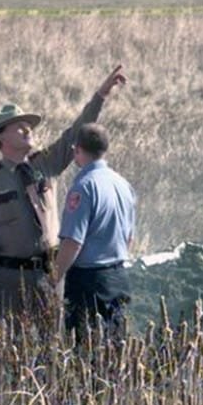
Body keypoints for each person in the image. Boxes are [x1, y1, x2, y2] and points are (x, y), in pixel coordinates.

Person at [0, 65, 127, 330]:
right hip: (10, 280)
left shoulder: (46, 164)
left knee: (50, 350)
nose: (27, 129)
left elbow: (76, 131)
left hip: (49, 276)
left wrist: (101, 95)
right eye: (19, 127)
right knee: (14, 351)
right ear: (0, 137)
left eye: (28, 125)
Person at [55, 123, 136, 345]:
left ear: (77, 150)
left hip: (89, 283)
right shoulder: (123, 185)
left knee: (86, 353)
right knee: (114, 351)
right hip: (118, 277)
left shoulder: (83, 187)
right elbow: (129, 238)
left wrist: (54, 277)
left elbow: (73, 242)